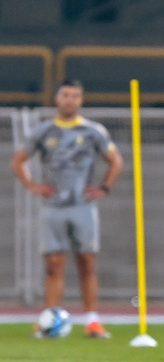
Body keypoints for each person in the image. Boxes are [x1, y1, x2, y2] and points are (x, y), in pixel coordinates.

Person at [11, 79, 123, 338]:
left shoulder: (93, 130)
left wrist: (103, 188)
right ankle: (50, 319)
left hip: (83, 206)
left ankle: (93, 321)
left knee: (86, 261)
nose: (70, 100)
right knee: (54, 263)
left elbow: (115, 161)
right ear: (57, 99)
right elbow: (18, 160)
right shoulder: (44, 131)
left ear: (80, 100)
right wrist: (32, 185)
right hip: (54, 207)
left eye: (75, 96)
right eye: (65, 95)